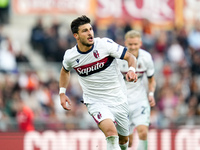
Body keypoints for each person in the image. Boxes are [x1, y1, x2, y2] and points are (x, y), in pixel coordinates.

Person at [59, 15, 138, 150]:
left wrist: (131, 70)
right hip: (95, 101)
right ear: (76, 36)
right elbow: (65, 71)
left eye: (90, 29)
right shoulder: (70, 56)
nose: (90, 33)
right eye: (85, 30)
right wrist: (62, 93)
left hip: (118, 98)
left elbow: (130, 57)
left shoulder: (104, 45)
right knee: (111, 134)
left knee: (124, 139)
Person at [117, 30, 156, 150]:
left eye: (135, 44)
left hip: (140, 100)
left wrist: (151, 94)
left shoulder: (146, 57)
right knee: (128, 141)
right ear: (125, 43)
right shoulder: (118, 58)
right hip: (123, 101)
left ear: (140, 43)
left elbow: (151, 79)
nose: (133, 47)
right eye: (130, 44)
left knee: (143, 132)